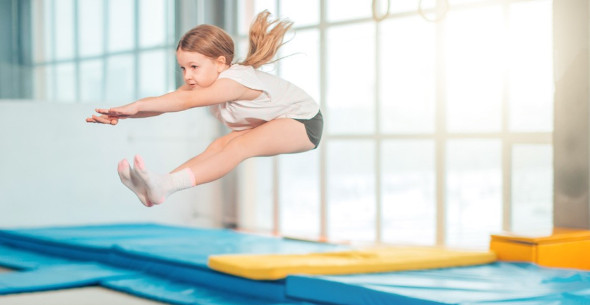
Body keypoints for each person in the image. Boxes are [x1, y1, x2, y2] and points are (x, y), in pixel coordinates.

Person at [86, 11, 323, 207]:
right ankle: (158, 188)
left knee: (239, 147)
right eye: (183, 68)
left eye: (194, 67)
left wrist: (136, 106)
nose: (188, 76)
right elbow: (166, 102)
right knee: (218, 146)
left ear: (220, 63)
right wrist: (124, 113)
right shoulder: (204, 82)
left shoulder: (233, 82)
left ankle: (164, 186)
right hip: (274, 121)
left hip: (304, 121)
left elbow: (182, 103)